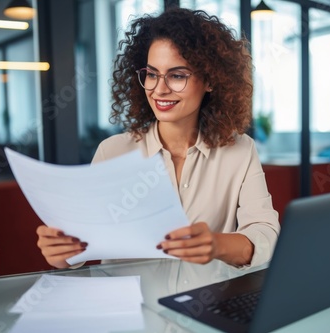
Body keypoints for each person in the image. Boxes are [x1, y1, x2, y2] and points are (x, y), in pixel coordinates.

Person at [36, 7, 280, 270]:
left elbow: (265, 234)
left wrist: (217, 244)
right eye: (152, 74)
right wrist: (61, 252)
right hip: (130, 306)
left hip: (205, 305)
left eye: (177, 75)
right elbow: (79, 246)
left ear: (210, 80)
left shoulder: (240, 151)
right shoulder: (113, 152)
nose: (159, 89)